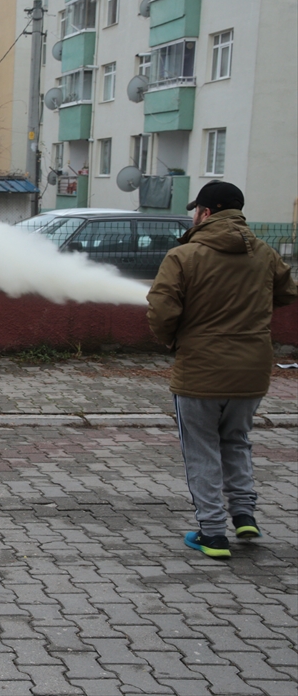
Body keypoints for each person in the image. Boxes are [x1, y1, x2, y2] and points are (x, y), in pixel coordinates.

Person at [147, 181, 296, 559]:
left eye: (197, 208)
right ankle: (244, 515)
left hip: (200, 371)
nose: (194, 214)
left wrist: (171, 340)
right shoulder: (263, 253)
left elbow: (163, 311)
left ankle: (213, 534)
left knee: (201, 450)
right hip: (252, 372)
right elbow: (288, 293)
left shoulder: (184, 256)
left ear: (207, 213)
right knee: (236, 440)